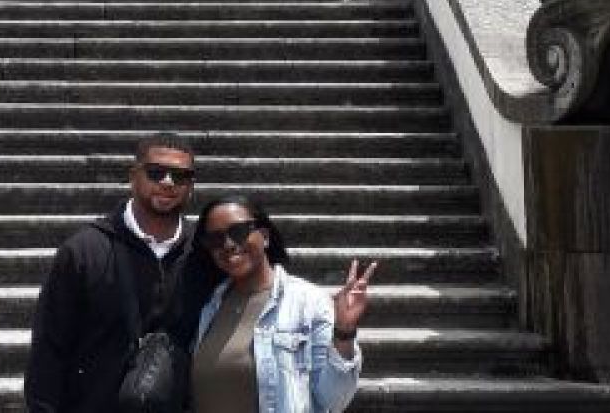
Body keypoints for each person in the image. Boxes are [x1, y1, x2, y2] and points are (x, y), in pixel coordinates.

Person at [25, 133, 218, 413]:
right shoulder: (84, 251)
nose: (167, 183)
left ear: (191, 186)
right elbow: (49, 348)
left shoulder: (205, 253)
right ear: (134, 176)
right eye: (156, 172)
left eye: (180, 176)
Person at [190, 194, 376, 413]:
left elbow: (333, 401)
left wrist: (344, 332)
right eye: (215, 239)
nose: (228, 244)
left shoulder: (308, 302)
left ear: (265, 236)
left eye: (238, 232)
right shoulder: (211, 304)